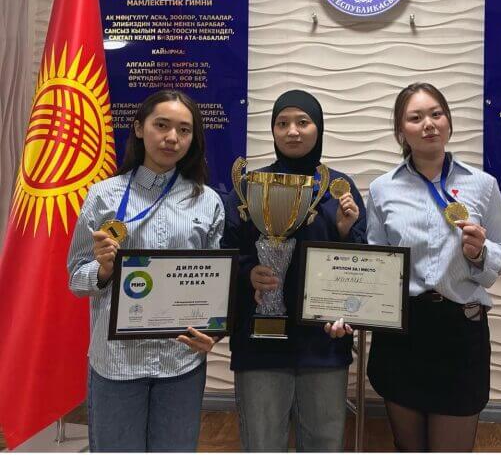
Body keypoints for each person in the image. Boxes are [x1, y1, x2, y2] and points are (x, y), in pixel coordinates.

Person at [68, 90, 224, 452]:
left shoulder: (207, 201)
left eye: (184, 130)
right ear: (139, 128)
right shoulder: (103, 196)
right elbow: (75, 278)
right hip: (117, 362)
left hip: (180, 362)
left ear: (193, 139)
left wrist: (214, 335)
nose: (172, 137)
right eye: (162, 125)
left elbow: (215, 284)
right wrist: (103, 270)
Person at [366, 82, 501, 452]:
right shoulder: (382, 189)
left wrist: (481, 253)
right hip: (402, 333)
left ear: (448, 121)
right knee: (409, 448)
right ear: (401, 131)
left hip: (459, 332)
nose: (429, 124)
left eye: (436, 114)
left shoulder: (483, 185)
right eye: (415, 117)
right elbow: (376, 262)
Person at [221, 89, 367, 452]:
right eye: (282, 123)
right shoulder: (249, 187)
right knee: (262, 443)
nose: (292, 131)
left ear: (319, 128)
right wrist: (248, 273)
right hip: (259, 343)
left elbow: (363, 265)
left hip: (323, 342)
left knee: (324, 442)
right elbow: (227, 253)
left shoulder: (340, 190)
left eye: (303, 122)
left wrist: (345, 232)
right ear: (272, 130)